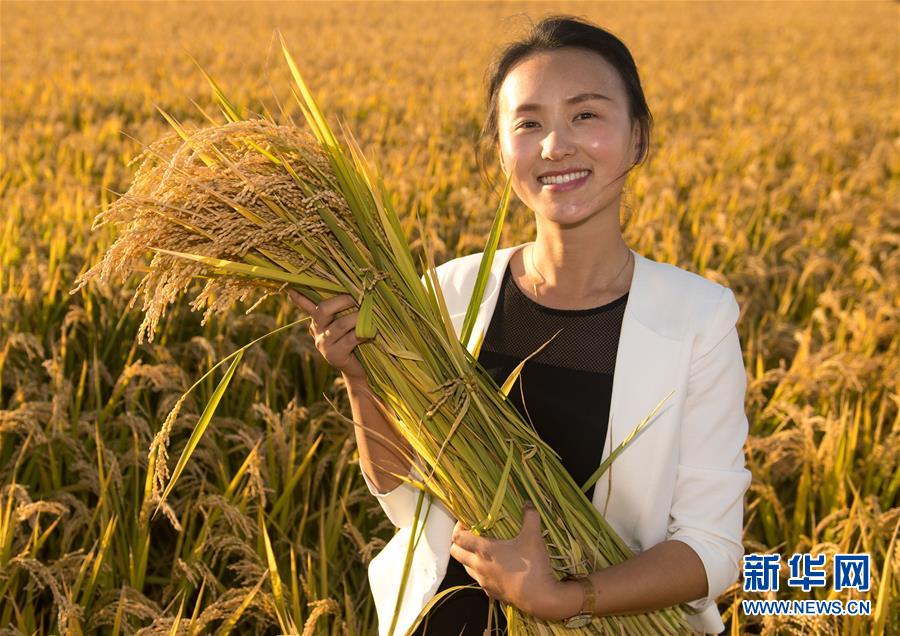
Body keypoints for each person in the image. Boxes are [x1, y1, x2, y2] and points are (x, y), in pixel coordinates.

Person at [289, 14, 751, 636]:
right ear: (502, 150)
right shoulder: (447, 294)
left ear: (638, 137)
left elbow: (709, 550)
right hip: (450, 618)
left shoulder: (699, 318)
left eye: (585, 114)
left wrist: (564, 598)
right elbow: (403, 494)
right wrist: (360, 378)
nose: (555, 145)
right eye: (528, 124)